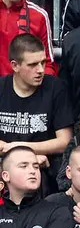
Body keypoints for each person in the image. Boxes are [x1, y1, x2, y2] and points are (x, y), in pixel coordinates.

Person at [0, 146, 73, 228]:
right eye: (24, 166)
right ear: (6, 176)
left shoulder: (57, 211)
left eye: (36, 166)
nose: (32, 171)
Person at [0, 36, 73, 168]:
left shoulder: (56, 88)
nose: (40, 70)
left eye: (43, 62)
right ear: (15, 66)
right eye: (32, 65)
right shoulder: (1, 87)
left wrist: (21, 148)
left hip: (44, 168)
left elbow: (65, 141)